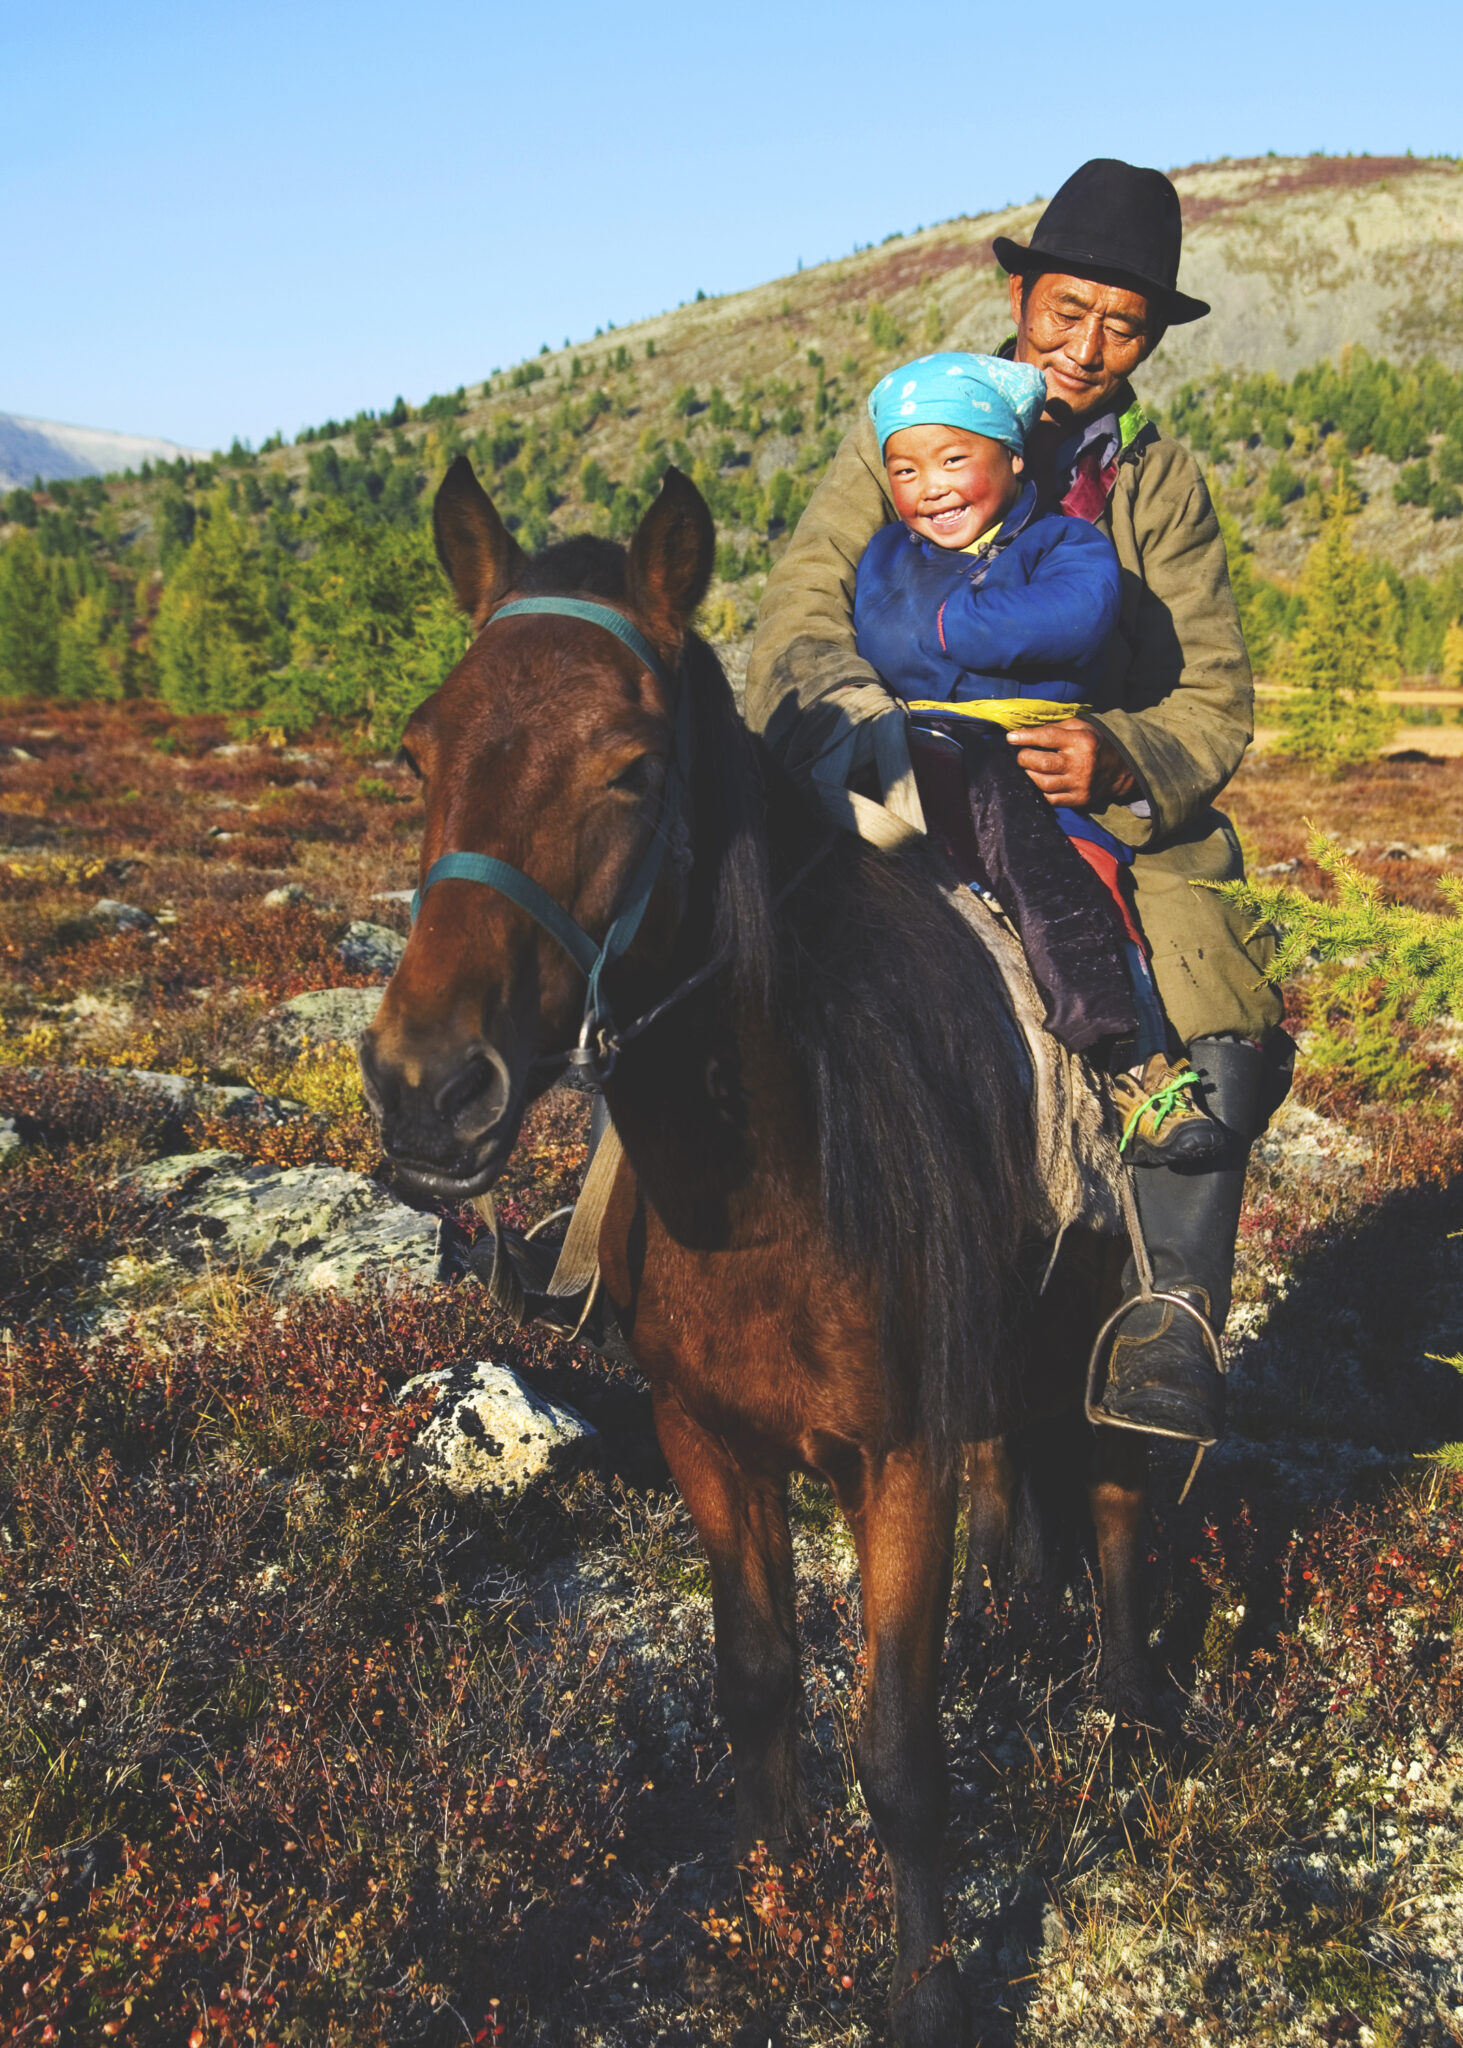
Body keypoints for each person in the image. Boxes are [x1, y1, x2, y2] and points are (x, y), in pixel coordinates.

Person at [747, 158, 1293, 1447]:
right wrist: (868, 733)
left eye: (1121, 323)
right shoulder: (906, 424)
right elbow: (796, 618)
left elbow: (1210, 698)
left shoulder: (1155, 484)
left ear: (1150, 337)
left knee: (1216, 974)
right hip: (884, 766)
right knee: (725, 919)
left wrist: (1118, 756)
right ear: (1016, 291)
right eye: (1064, 310)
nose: (1085, 346)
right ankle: (603, 1238)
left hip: (1081, 794)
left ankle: (1170, 1319)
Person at [854, 348, 1224, 1167]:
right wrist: (962, 618)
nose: (931, 487)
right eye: (905, 469)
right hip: (916, 762)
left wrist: (950, 625)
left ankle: (1138, 1066)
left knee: (1088, 884)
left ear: (1013, 458)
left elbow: (1077, 617)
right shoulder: (887, 554)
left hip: (1034, 765)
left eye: (955, 459)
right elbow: (880, 630)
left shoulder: (1067, 544)